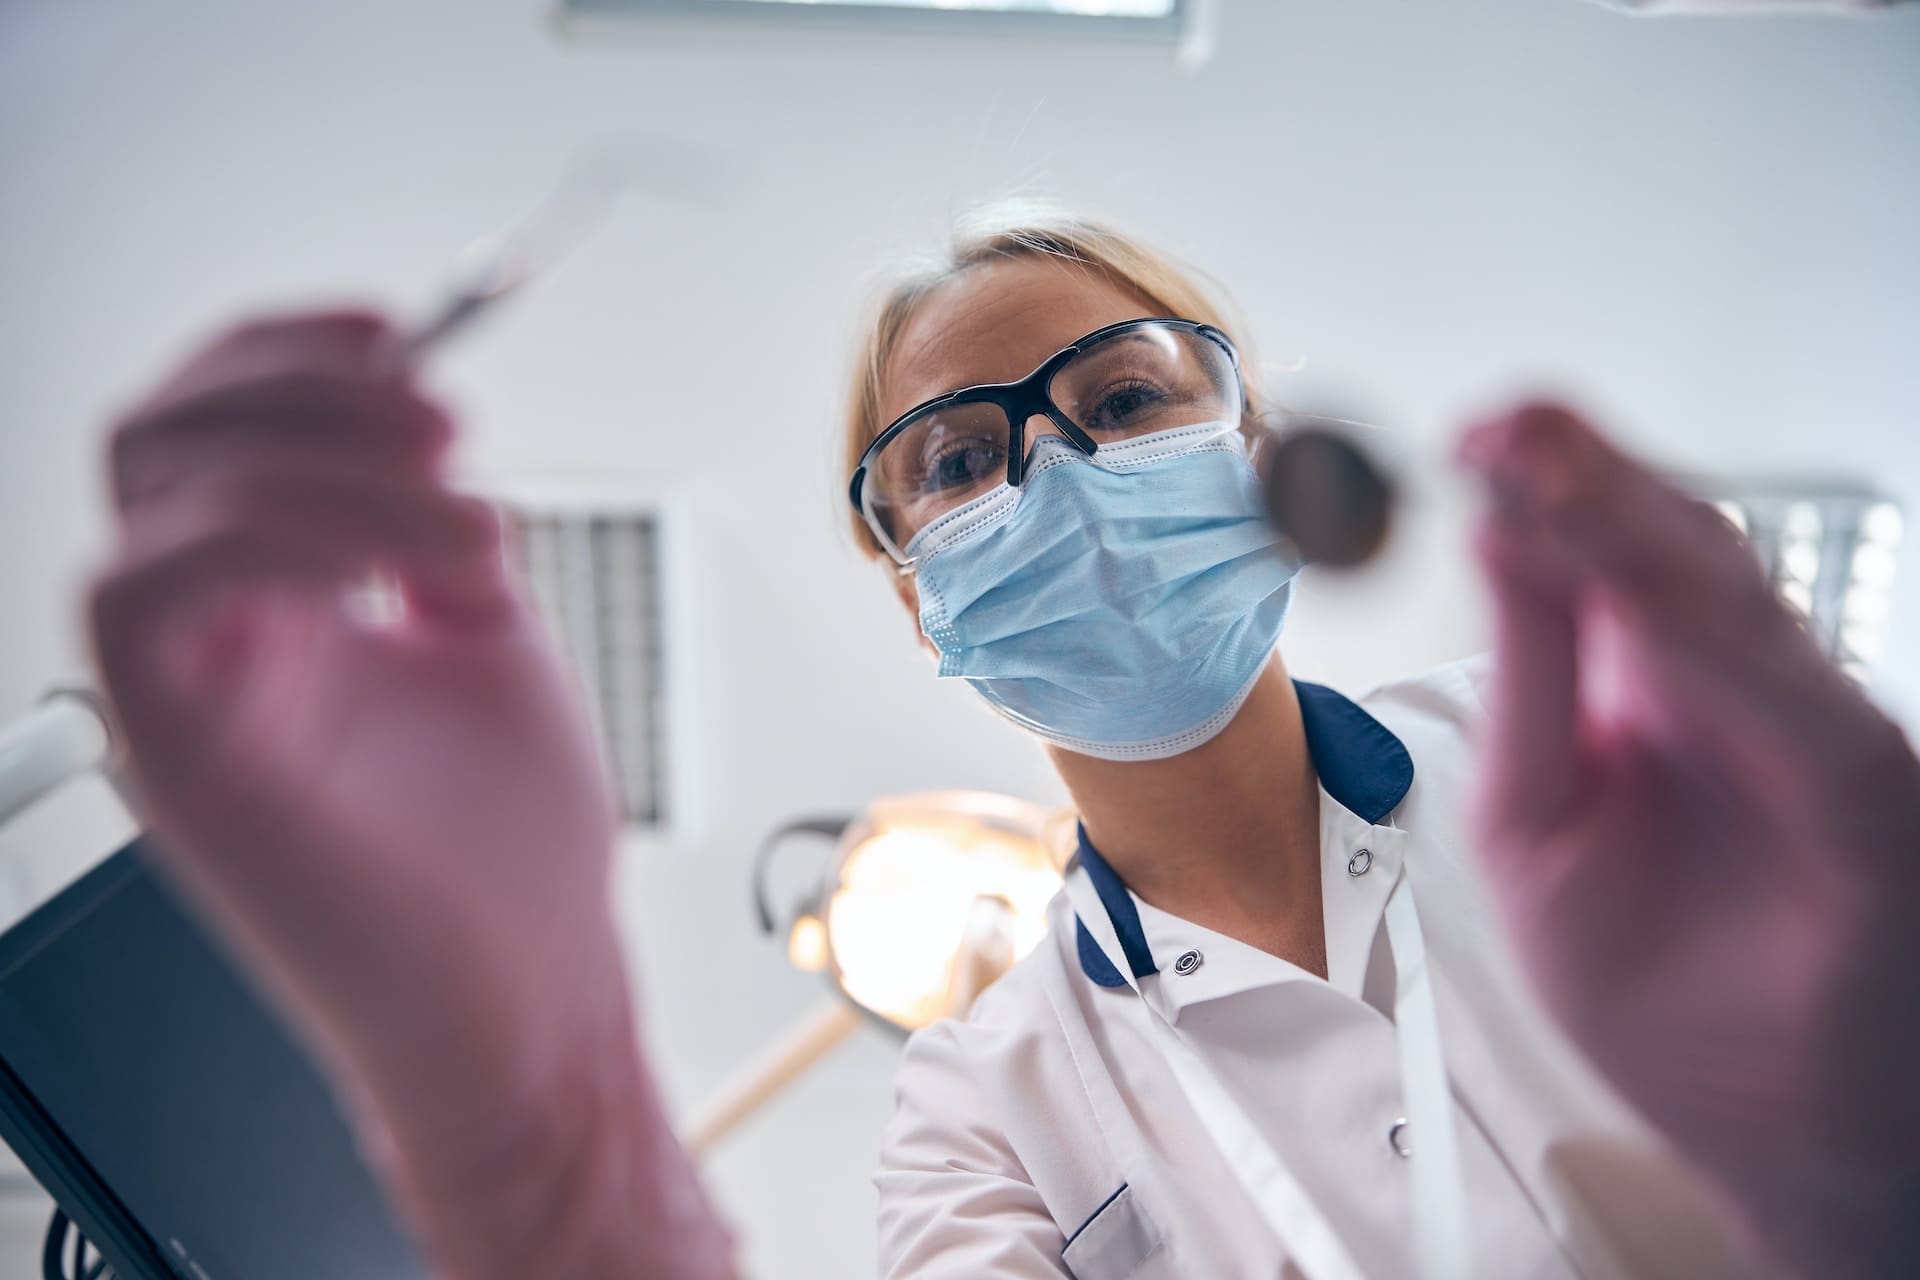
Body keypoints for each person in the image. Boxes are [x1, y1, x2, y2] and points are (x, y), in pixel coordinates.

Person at [85, 205, 1918, 1280]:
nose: (1052, 469)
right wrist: (533, 1133)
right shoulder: (979, 1112)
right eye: (957, 460)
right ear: (915, 592)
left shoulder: (1581, 763)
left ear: (1250, 437)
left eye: (1123, 401)